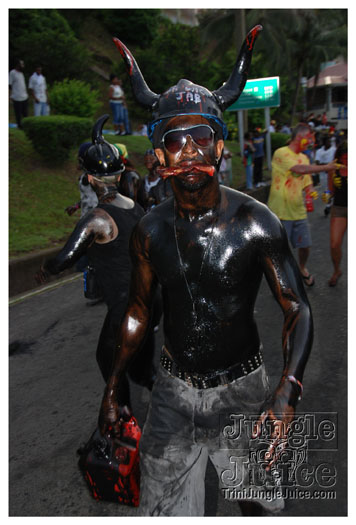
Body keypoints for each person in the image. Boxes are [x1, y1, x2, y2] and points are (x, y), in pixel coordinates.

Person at [98, 27, 314, 517]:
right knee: (166, 512)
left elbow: (296, 306)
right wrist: (114, 388)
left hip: (242, 392)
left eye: (203, 135)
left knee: (256, 505)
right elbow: (137, 310)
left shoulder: (258, 223)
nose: (190, 148)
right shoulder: (149, 231)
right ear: (158, 154)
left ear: (220, 148)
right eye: (176, 137)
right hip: (171, 393)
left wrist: (288, 387)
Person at [36, 114, 156, 398]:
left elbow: (64, 258)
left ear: (90, 178)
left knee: (110, 363)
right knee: (140, 369)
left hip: (124, 309)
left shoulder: (97, 218)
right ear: (119, 173)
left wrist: (45, 268)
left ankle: (125, 424)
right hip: (148, 301)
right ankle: (169, 408)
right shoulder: (133, 207)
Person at [267, 123, 337, 287]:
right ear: (300, 138)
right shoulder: (281, 153)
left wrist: (311, 191)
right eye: (309, 138)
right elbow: (300, 169)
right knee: (281, 251)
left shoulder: (305, 157)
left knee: (305, 246)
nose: (311, 142)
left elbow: (306, 181)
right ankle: (281, 280)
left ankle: (302, 268)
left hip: (298, 210)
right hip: (280, 212)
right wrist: (327, 167)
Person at [327, 140, 347, 286]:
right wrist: (326, 195)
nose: (346, 161)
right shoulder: (333, 169)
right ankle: (336, 270)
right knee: (334, 244)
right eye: (344, 158)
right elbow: (330, 192)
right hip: (339, 208)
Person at [314, 135, 336, 216]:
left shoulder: (334, 150)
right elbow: (317, 162)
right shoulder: (319, 151)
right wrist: (327, 166)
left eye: (330, 141)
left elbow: (335, 162)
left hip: (332, 174)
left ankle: (328, 206)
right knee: (326, 190)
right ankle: (329, 203)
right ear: (323, 143)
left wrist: (325, 166)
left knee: (330, 188)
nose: (329, 143)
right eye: (327, 141)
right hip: (322, 175)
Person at [9, 60, 28, 129]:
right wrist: (9, 96)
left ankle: (26, 126)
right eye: (21, 65)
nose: (23, 66)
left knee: (25, 114)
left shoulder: (21, 74)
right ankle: (20, 127)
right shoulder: (12, 73)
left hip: (24, 97)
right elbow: (9, 85)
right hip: (17, 97)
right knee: (18, 114)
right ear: (18, 65)